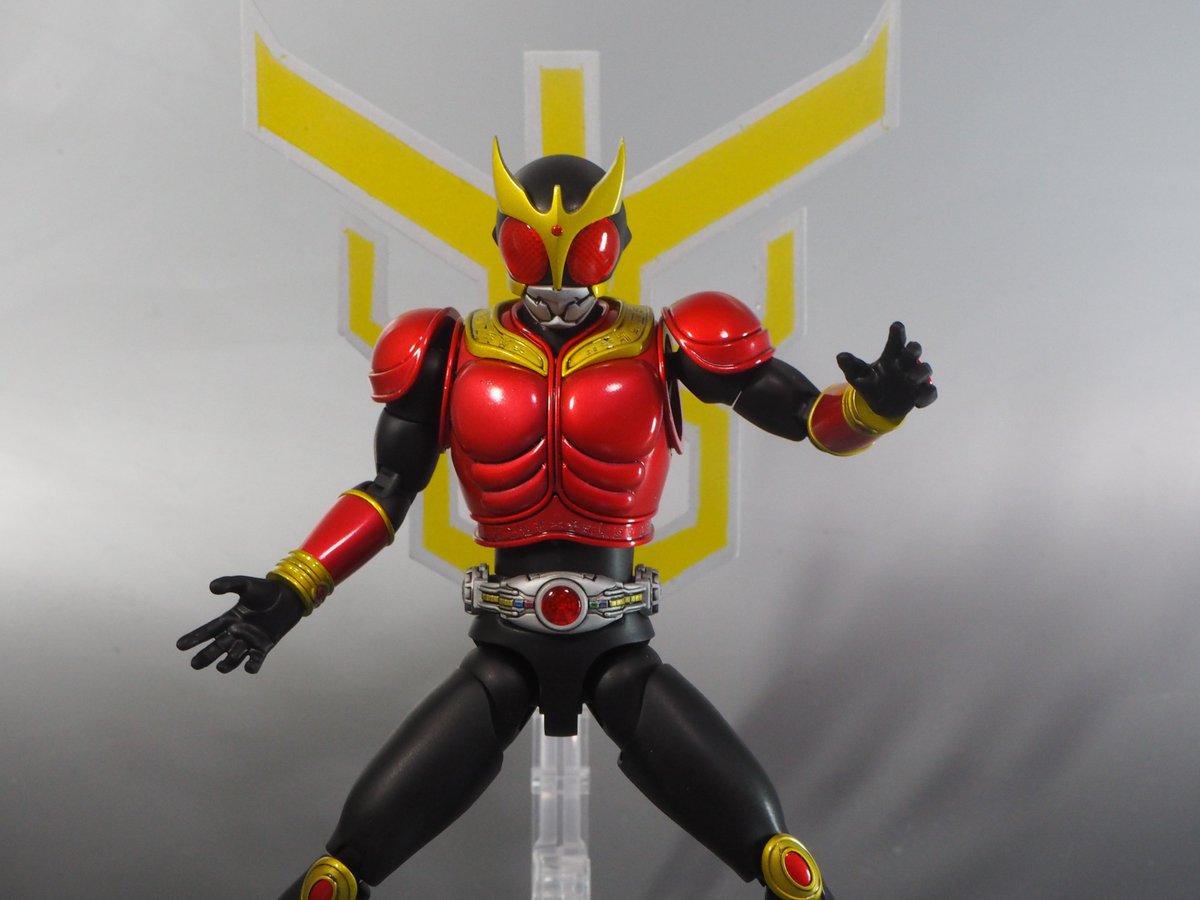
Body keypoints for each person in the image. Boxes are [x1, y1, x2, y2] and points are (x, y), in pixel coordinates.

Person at [179, 141, 936, 900]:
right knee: (342, 871)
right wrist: (294, 587)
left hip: (618, 644)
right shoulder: (445, 347)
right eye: (535, 236)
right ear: (506, 235)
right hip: (505, 645)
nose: (558, 256)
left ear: (614, 236)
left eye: (581, 235)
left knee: (782, 865)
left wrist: (872, 407)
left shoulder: (668, 339)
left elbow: (804, 417)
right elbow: (387, 490)